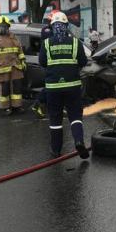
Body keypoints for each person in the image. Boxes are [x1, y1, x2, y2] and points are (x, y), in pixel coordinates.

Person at [39, 11, 89, 159]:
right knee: (75, 116)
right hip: (72, 87)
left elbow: (42, 62)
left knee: (55, 119)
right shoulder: (75, 42)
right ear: (66, 26)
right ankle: (79, 141)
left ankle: (56, 150)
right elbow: (83, 62)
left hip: (53, 89)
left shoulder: (46, 43)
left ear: (52, 27)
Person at [0, 15, 26, 115]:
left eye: (6, 26)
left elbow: (20, 49)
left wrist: (22, 61)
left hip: (15, 67)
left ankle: (17, 106)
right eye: (1, 26)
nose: (4, 28)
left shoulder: (13, 37)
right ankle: (5, 108)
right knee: (4, 89)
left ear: (8, 27)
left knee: (16, 87)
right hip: (2, 67)